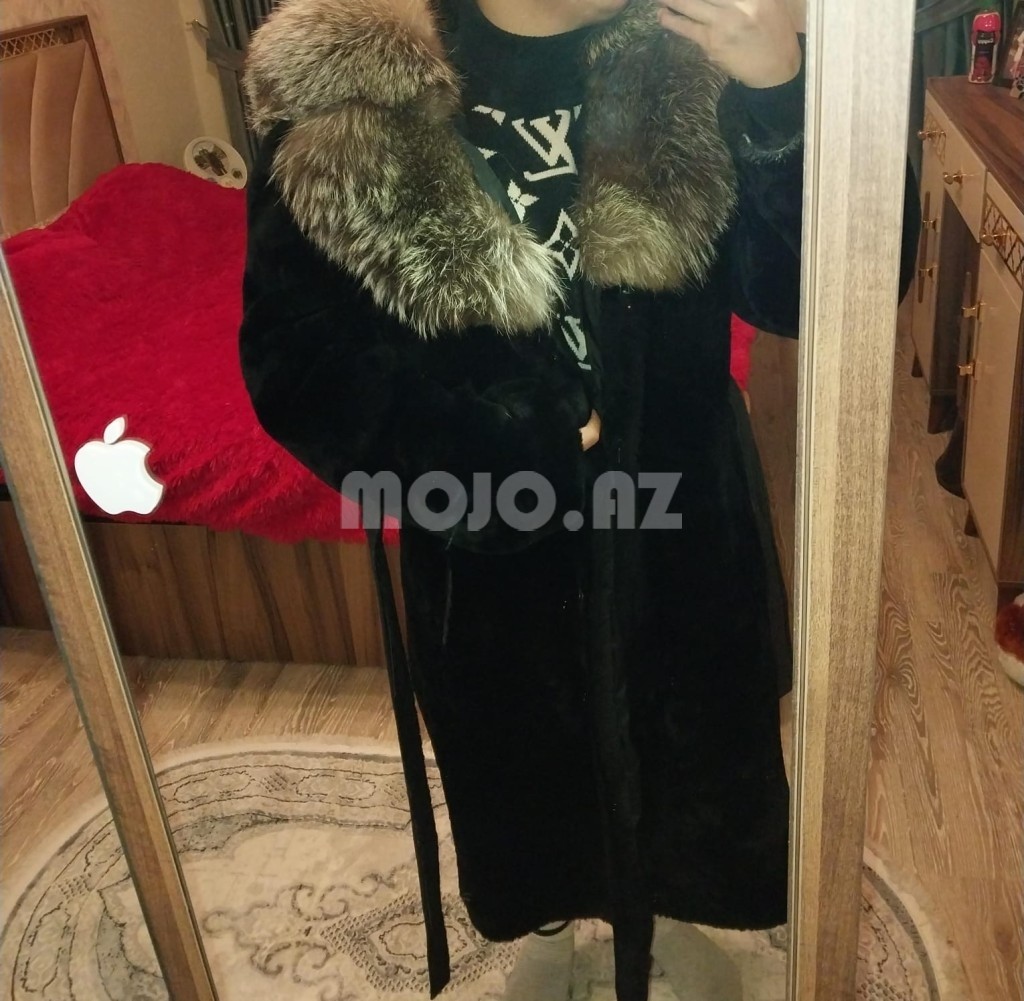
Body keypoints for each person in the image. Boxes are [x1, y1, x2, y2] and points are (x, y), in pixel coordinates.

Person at [239, 2, 915, 999]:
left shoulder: (694, 52)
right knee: (523, 778)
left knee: (692, 769)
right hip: (492, 555)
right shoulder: (348, 86)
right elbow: (300, 364)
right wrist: (503, 452)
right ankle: (552, 917)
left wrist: (783, 93)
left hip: (681, 524)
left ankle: (669, 907)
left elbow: (815, 291)